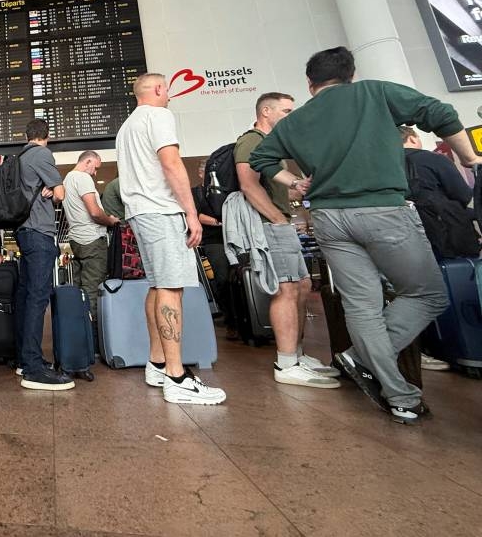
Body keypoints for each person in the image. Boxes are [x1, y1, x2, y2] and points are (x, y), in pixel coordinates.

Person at [249, 46, 478, 424]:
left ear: (311, 84)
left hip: (327, 218)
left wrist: (296, 182)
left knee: (362, 305)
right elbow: (441, 112)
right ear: (350, 74)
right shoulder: (374, 92)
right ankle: (363, 359)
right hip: (382, 211)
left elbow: (261, 158)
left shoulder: (295, 121)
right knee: (428, 293)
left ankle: (400, 396)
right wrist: (469, 159)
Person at [116, 73, 226, 405]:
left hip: (140, 212)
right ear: (160, 89)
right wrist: (191, 213)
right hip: (160, 212)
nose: (170, 97)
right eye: (168, 91)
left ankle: (158, 363)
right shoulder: (159, 115)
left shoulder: (127, 128)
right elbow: (172, 163)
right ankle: (177, 376)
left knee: (157, 284)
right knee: (170, 288)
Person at [232, 92, 340, 389]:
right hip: (271, 225)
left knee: (302, 285)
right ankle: (287, 362)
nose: (291, 115)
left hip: (281, 222)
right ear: (266, 111)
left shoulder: (273, 147)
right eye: (286, 110)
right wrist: (279, 221)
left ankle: (297, 353)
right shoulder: (252, 141)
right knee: (287, 289)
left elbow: (283, 192)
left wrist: (300, 187)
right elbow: (248, 186)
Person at [400, 125, 472, 372]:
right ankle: (464, 346)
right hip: (447, 235)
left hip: (405, 239)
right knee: (456, 284)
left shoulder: (383, 165)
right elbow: (462, 195)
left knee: (414, 290)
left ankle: (428, 347)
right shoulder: (432, 159)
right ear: (413, 138)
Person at [14, 118, 74, 391]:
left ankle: (25, 359)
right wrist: (53, 190)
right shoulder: (42, 153)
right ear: (46, 136)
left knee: (27, 297)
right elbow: (60, 193)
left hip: (24, 233)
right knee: (38, 298)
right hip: (39, 233)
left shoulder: (19, 158)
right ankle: (33, 368)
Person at [63, 151, 118, 346]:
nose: (95, 173)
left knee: (80, 291)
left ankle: (80, 339)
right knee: (92, 291)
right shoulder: (83, 178)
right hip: (93, 241)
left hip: (77, 242)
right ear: (87, 161)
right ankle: (94, 343)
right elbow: (95, 212)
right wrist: (110, 220)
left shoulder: (67, 179)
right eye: (95, 167)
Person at [191, 160, 234, 340]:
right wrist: (219, 222)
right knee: (222, 277)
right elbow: (196, 215)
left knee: (236, 277)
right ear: (201, 173)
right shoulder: (197, 193)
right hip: (212, 240)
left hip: (232, 238)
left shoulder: (225, 191)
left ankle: (242, 318)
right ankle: (230, 318)